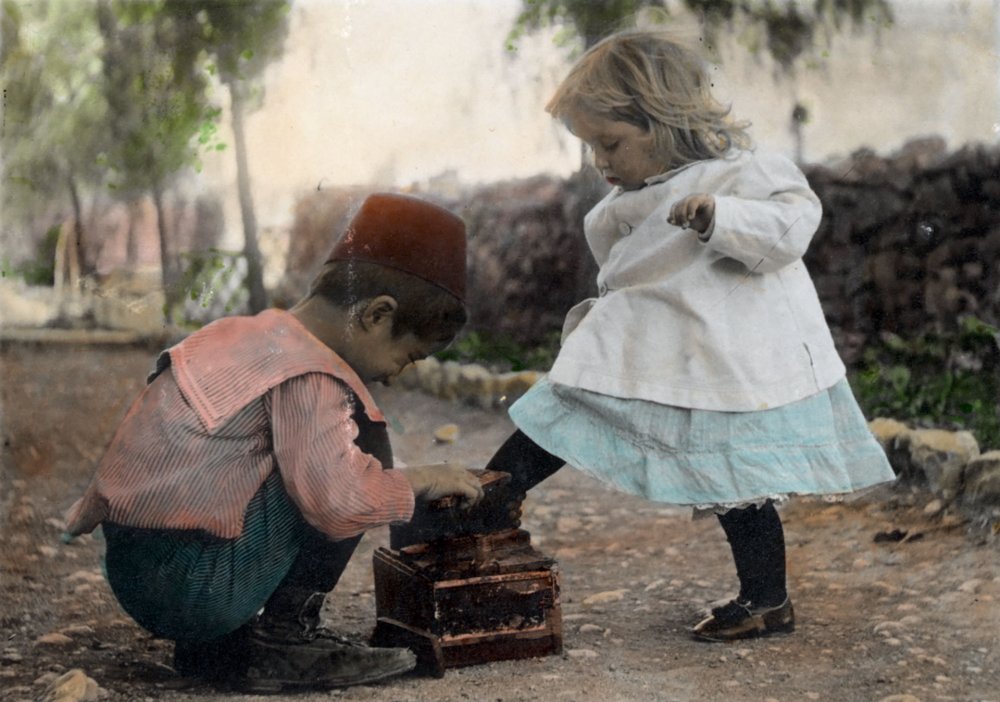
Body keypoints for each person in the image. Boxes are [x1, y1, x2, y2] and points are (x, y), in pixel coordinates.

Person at [484, 26, 896, 642]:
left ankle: (766, 599)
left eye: (611, 143)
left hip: (730, 360)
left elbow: (793, 223)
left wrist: (720, 217)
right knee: (571, 398)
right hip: (660, 343)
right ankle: (493, 495)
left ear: (665, 122)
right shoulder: (636, 193)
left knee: (738, 481)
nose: (601, 161)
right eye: (592, 146)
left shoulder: (740, 174)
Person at [62, 192, 485, 692]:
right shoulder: (311, 371)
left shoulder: (240, 333)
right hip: (195, 591)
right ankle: (285, 639)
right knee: (363, 441)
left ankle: (222, 649)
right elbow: (337, 502)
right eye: (407, 356)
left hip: (136, 570)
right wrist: (417, 481)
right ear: (376, 315)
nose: (394, 376)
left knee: (306, 453)